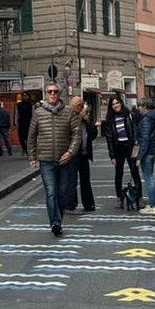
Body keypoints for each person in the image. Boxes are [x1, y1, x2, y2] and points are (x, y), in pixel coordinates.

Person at [27, 83, 80, 236]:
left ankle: (58, 219)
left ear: (59, 93)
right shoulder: (38, 113)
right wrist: (32, 156)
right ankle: (55, 222)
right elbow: (31, 136)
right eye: (49, 91)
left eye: (55, 91)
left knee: (62, 193)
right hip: (46, 160)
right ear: (46, 93)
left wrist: (70, 152)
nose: (52, 94)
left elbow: (76, 135)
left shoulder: (69, 112)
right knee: (51, 192)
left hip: (64, 160)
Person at [101, 94, 140, 208]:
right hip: (118, 148)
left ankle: (139, 197)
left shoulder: (129, 115)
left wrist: (136, 147)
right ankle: (119, 198)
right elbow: (109, 139)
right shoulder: (110, 119)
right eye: (113, 104)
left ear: (121, 103)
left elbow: (135, 131)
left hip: (130, 147)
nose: (115, 105)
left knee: (134, 172)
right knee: (118, 174)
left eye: (117, 103)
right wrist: (112, 155)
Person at [135, 96, 155, 215]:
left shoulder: (146, 119)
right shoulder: (154, 117)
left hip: (147, 152)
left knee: (148, 179)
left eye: (140, 106)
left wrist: (139, 157)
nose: (138, 109)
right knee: (150, 177)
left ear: (145, 107)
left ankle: (153, 205)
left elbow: (145, 139)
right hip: (153, 150)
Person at [69, 96, 97, 212]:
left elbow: (93, 135)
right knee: (72, 180)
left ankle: (89, 204)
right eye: (76, 106)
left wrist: (89, 122)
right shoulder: (69, 117)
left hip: (84, 154)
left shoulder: (85, 120)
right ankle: (71, 204)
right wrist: (80, 118)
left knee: (85, 180)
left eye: (79, 106)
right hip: (73, 154)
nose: (78, 108)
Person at [14, 93, 34, 157]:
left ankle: (28, 151)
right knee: (21, 138)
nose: (25, 97)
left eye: (26, 96)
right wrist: (15, 124)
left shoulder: (31, 105)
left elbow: (33, 115)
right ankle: (24, 148)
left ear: (28, 97)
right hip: (21, 124)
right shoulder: (18, 105)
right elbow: (16, 115)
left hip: (29, 123)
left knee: (28, 138)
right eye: (24, 96)